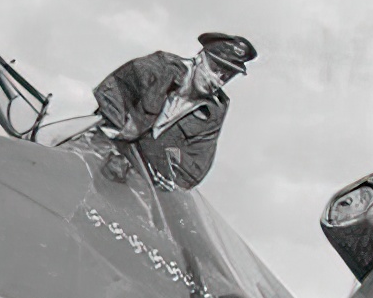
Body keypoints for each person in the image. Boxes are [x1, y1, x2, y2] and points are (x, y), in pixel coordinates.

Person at [92, 33, 257, 190]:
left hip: (136, 184)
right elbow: (111, 92)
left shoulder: (215, 110)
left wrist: (161, 162)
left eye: (227, 76)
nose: (217, 80)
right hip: (95, 153)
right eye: (215, 69)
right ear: (200, 57)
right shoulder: (160, 66)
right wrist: (118, 145)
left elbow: (194, 170)